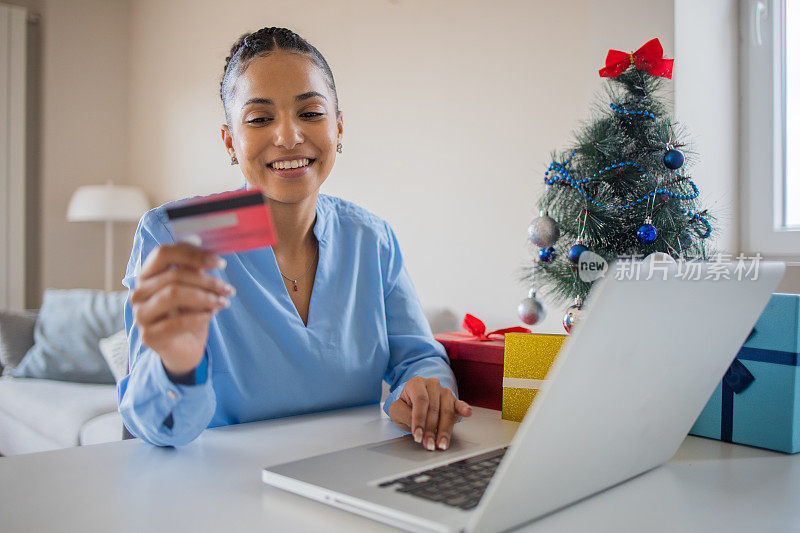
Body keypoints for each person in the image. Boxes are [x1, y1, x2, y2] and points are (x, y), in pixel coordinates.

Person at [118, 27, 471, 449]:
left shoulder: (369, 238)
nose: (288, 137)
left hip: (349, 482)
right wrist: (177, 366)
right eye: (260, 119)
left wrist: (420, 390)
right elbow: (154, 427)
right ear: (231, 141)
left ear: (338, 129)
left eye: (310, 113)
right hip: (219, 490)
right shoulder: (179, 235)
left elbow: (419, 357)